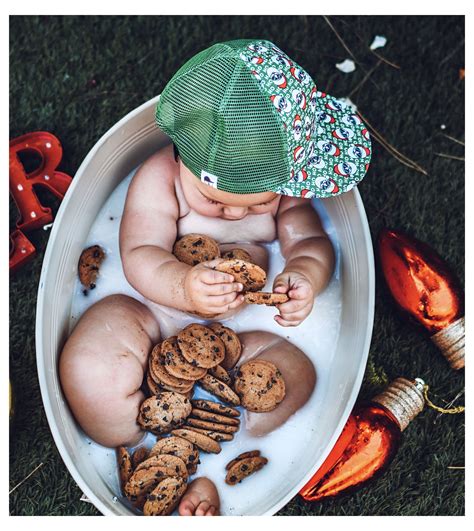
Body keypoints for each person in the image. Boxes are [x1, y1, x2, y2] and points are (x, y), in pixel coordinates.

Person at [59, 38, 371, 516]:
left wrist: (303, 277)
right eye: (214, 201)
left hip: (244, 336)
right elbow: (140, 253)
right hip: (151, 313)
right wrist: (182, 286)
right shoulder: (160, 177)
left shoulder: (286, 192)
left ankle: (234, 440)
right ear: (181, 155)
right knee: (88, 362)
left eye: (256, 203)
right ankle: (132, 435)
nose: (229, 213)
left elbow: (309, 243)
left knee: (296, 377)